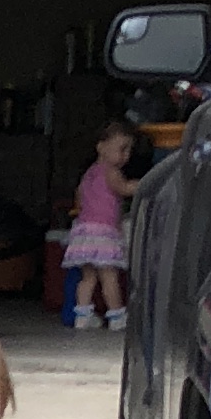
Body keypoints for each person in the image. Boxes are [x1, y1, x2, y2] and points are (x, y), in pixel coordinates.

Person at [61, 121, 143, 331]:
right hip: (103, 233)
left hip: (83, 232)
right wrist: (142, 184)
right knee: (109, 277)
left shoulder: (89, 174)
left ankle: (82, 316)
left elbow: (79, 198)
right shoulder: (111, 172)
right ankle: (117, 316)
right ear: (101, 147)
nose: (125, 155)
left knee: (87, 278)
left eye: (129, 150)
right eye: (121, 149)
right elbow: (122, 188)